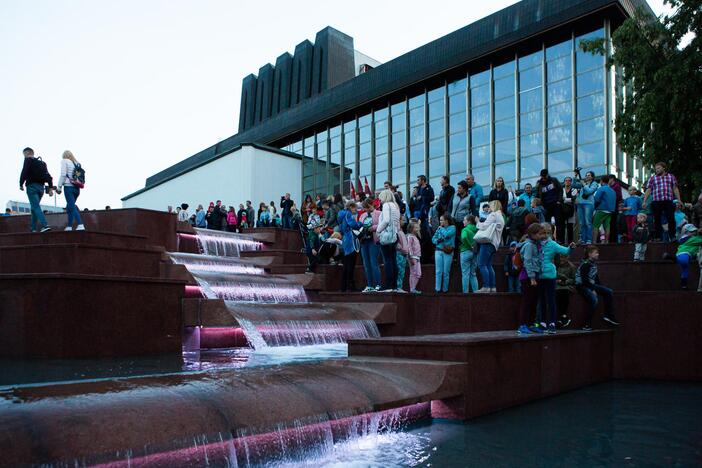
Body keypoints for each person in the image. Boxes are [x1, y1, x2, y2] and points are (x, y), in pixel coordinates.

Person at [539, 223, 575, 334]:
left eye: (548, 232)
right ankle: (542, 322)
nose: (545, 234)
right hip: (539, 275)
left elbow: (565, 251)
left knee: (551, 300)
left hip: (550, 275)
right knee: (541, 300)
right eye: (543, 232)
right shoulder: (536, 243)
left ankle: (552, 323)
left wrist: (570, 247)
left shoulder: (552, 244)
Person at [575, 245, 620, 330]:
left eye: (598, 253)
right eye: (596, 253)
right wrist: (593, 289)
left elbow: (595, 278)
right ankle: (586, 324)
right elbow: (584, 280)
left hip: (589, 284)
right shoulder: (585, 264)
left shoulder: (593, 264)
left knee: (608, 291)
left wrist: (600, 288)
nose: (598, 254)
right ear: (589, 254)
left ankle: (608, 315)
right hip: (581, 286)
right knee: (594, 300)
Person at [517, 223, 546, 334]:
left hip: (535, 276)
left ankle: (531, 324)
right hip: (527, 277)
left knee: (534, 301)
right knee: (527, 301)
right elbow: (527, 262)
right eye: (539, 234)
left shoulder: (536, 244)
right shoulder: (529, 245)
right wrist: (532, 277)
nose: (542, 236)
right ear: (532, 234)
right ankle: (522, 325)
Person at [643, 162, 681, 242]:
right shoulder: (652, 178)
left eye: (658, 168)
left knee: (671, 218)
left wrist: (679, 200)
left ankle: (672, 236)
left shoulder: (671, 177)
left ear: (664, 168)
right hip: (657, 201)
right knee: (657, 219)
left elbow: (675, 188)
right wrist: (644, 201)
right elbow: (648, 190)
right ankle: (658, 237)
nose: (657, 170)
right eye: (656, 169)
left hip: (668, 200)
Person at [19, 147, 53, 232]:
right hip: (41, 188)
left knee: (36, 207)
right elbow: (48, 176)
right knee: (34, 208)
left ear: (26, 153)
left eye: (24, 155)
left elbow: (24, 171)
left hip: (32, 187)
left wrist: (21, 183)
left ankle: (45, 225)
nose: (24, 156)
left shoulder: (28, 160)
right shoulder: (42, 163)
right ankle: (33, 228)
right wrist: (51, 187)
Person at [475, 200, 505, 293]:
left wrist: (477, 221)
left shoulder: (493, 215)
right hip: (494, 244)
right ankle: (492, 287)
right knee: (488, 265)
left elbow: (483, 226)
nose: (489, 207)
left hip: (487, 242)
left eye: (490, 205)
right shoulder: (501, 216)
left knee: (482, 264)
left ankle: (486, 286)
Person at [55, 150, 86, 231]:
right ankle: (69, 226)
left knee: (72, 206)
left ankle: (80, 224)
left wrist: (59, 187)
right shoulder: (77, 163)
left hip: (68, 187)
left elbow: (63, 174)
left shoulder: (64, 161)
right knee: (69, 207)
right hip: (77, 187)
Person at [377, 189, 401, 292]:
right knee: (393, 260)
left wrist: (378, 230)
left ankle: (388, 285)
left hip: (386, 236)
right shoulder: (395, 206)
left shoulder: (386, 205)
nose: (380, 200)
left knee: (387, 261)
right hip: (394, 235)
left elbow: (386, 220)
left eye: (380, 198)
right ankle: (394, 284)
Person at [338, 201, 363, 292]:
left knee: (346, 264)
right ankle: (350, 286)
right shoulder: (348, 214)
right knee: (351, 264)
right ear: (351, 207)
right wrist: (360, 223)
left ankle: (343, 287)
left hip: (345, 239)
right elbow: (353, 225)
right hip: (350, 239)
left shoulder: (341, 215)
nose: (356, 210)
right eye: (355, 208)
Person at [358, 198, 381, 292]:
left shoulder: (379, 213)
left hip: (373, 240)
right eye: (364, 208)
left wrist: (373, 228)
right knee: (366, 264)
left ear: (372, 205)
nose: (366, 210)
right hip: (364, 241)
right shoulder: (362, 215)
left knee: (374, 263)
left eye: (367, 208)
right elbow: (359, 225)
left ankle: (378, 284)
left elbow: (382, 224)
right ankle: (370, 284)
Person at [573, 170, 599, 244]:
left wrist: (584, 184)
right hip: (580, 204)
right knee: (581, 223)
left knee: (588, 222)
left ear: (592, 177)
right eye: (586, 175)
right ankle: (582, 239)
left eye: (589, 175)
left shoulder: (594, 183)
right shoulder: (583, 184)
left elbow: (590, 191)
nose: (587, 176)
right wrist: (575, 176)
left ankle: (589, 239)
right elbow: (573, 185)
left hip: (589, 204)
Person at [432, 214, 456, 293]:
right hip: (438, 251)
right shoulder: (439, 228)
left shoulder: (452, 228)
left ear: (447, 220)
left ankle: (445, 290)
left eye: (442, 220)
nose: (440, 221)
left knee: (446, 272)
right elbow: (433, 239)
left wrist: (441, 229)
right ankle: (437, 289)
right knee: (438, 271)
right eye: (440, 220)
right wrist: (437, 240)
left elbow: (446, 235)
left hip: (447, 252)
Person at [676, 224, 702, 290]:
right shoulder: (693, 239)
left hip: (682, 254)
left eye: (695, 231)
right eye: (692, 231)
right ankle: (673, 258)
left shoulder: (683, 239)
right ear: (686, 232)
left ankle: (683, 285)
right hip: (685, 254)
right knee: (684, 262)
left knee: (685, 269)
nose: (694, 232)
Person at [592, 175, 616, 244]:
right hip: (610, 210)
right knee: (607, 226)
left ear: (601, 181)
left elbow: (596, 199)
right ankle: (607, 241)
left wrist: (595, 206)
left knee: (595, 225)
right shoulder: (612, 190)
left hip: (601, 209)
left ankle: (594, 241)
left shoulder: (601, 188)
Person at [459, 215, 479, 294]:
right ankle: (476, 292)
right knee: (473, 274)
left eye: (464, 220)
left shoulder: (465, 229)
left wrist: (469, 245)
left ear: (469, 221)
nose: (463, 222)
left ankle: (465, 293)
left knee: (465, 274)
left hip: (465, 252)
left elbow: (464, 238)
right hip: (474, 253)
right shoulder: (476, 229)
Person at [555, 255, 576, 328]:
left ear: (568, 257)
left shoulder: (571, 267)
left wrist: (564, 281)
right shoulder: (556, 265)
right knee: (557, 294)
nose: (562, 259)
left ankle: (562, 315)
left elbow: (573, 279)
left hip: (566, 286)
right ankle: (561, 317)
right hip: (557, 286)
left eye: (564, 257)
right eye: (561, 257)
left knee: (563, 293)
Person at [558, 176, 577, 244]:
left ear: (571, 182)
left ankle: (570, 242)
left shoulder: (574, 189)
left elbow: (573, 199)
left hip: (571, 210)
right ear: (564, 182)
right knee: (562, 226)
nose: (567, 182)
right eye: (566, 180)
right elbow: (560, 199)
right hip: (562, 210)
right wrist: (569, 200)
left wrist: (564, 200)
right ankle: (562, 242)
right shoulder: (561, 190)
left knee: (570, 227)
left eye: (569, 180)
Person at [407, 219, 422, 294]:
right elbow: (409, 248)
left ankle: (413, 288)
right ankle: (412, 289)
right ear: (411, 229)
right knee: (413, 273)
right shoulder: (410, 237)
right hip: (413, 257)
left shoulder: (415, 237)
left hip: (417, 257)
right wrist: (411, 257)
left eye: (418, 227)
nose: (418, 229)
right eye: (416, 227)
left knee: (418, 273)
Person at [396, 217, 409, 292]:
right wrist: (401, 249)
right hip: (399, 254)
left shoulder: (401, 230)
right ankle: (398, 287)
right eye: (402, 220)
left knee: (402, 272)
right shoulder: (397, 231)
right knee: (400, 271)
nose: (404, 221)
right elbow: (396, 242)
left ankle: (399, 287)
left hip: (403, 254)